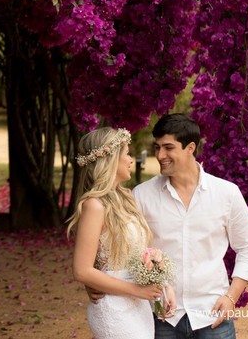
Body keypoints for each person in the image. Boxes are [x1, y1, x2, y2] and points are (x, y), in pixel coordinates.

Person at [132, 113, 248, 339]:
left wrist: (231, 297)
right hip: (162, 318)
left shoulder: (226, 193)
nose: (160, 155)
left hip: (212, 315)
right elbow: (131, 251)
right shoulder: (142, 195)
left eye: (168, 147)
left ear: (190, 148)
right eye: (158, 147)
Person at [69, 126, 176, 339]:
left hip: (138, 304)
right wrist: (137, 290)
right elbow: (82, 270)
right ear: (110, 160)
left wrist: (163, 285)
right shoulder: (94, 205)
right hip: (113, 308)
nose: (130, 159)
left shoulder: (126, 198)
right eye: (127, 153)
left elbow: (138, 252)